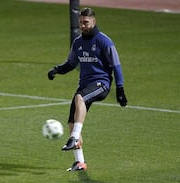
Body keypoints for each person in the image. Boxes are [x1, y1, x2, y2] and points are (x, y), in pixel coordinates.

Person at [47, 8, 127, 171]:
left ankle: (75, 138)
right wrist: (56, 70)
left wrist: (120, 89)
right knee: (71, 121)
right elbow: (70, 64)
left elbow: (116, 66)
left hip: (101, 84)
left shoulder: (104, 41)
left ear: (94, 22)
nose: (83, 25)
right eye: (81, 22)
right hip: (85, 85)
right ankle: (80, 162)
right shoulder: (78, 42)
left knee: (79, 98)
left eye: (86, 22)